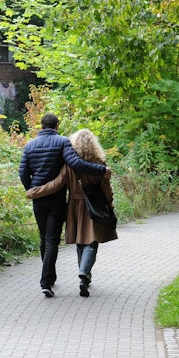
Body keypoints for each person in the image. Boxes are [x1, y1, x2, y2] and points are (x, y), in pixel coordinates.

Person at [19, 114, 110, 298]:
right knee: (53, 239)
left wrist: (31, 189)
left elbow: (23, 172)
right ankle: (47, 280)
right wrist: (102, 170)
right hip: (58, 199)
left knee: (44, 238)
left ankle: (49, 279)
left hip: (40, 197)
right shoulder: (62, 142)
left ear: (41, 125)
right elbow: (76, 163)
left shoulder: (29, 145)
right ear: (57, 125)